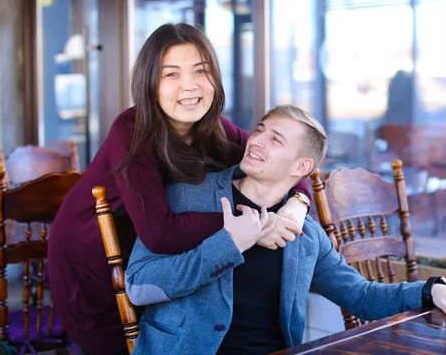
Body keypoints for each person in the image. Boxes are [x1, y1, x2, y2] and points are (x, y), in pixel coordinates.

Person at [125, 105, 446, 355]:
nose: (255, 141)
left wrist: (428, 290)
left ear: (301, 166)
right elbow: (139, 287)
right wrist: (226, 245)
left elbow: (360, 295)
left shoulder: (303, 233)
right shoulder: (188, 195)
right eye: (260, 130)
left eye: (276, 139)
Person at [47, 24, 311, 355]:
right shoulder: (132, 130)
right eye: (171, 74)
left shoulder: (214, 128)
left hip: (152, 261)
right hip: (94, 260)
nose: (190, 85)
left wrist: (297, 203)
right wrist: (253, 227)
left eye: (201, 71)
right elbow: (161, 233)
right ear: (149, 84)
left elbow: (286, 161)